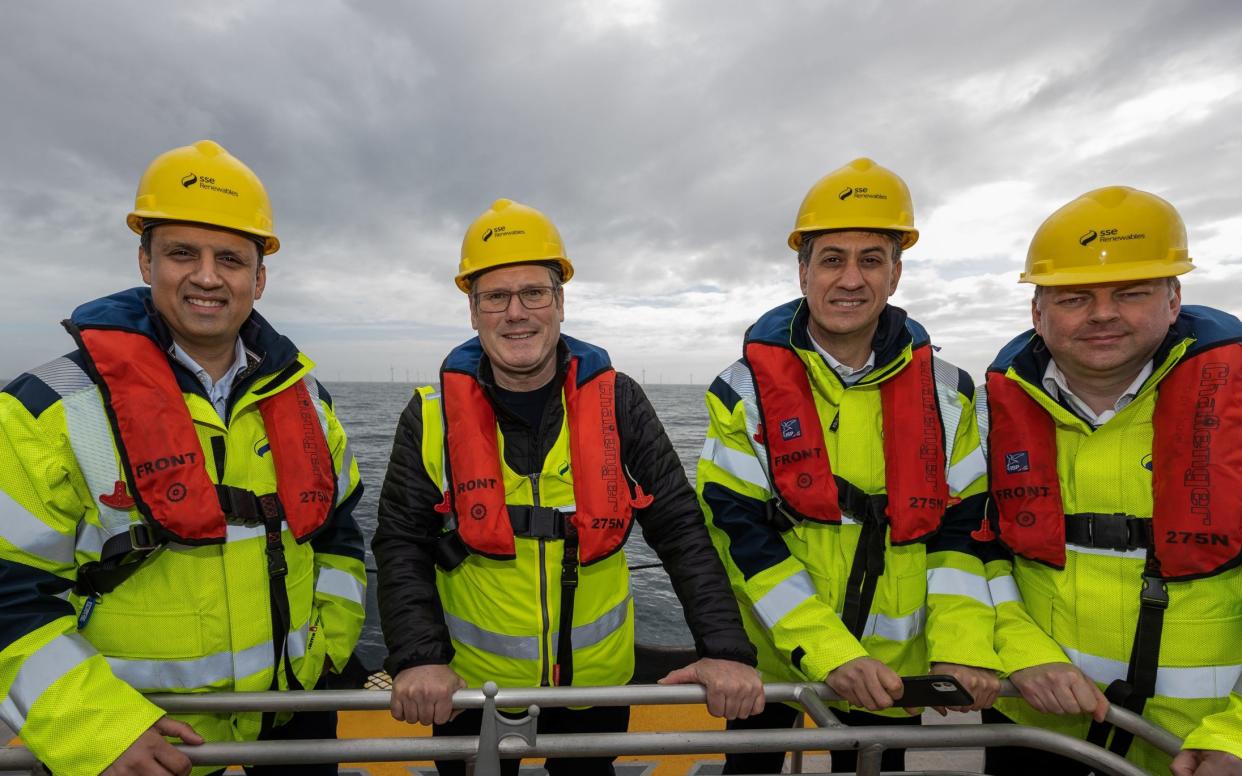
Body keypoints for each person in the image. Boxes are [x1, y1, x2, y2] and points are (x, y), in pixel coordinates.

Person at [0, 140, 366, 776]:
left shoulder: (307, 398)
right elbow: (8, 594)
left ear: (259, 277)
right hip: (141, 735)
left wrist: (326, 650)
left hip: (293, 714)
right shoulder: (47, 410)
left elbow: (338, 532)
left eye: (230, 258)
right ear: (146, 261)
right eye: (181, 253)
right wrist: (99, 726)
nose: (206, 275)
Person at [373, 198, 763, 776]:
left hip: (597, 688)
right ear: (472, 311)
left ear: (560, 302)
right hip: (468, 688)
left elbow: (681, 528)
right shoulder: (430, 415)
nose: (516, 313)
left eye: (533, 293)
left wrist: (726, 650)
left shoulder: (619, 401)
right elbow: (401, 542)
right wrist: (419, 658)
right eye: (495, 297)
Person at [696, 158, 1003, 774]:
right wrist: (830, 651)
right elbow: (741, 534)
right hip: (777, 654)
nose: (850, 278)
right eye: (832, 258)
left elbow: (962, 535)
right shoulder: (742, 391)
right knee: (749, 768)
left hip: (895, 662)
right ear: (803, 270)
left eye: (871, 258)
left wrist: (963, 647)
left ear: (896, 273)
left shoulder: (951, 395)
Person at [981, 185, 1242, 775]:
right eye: (1074, 297)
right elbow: (976, 555)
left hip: (1197, 747)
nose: (1102, 314)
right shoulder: (992, 414)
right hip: (1036, 730)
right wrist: (1021, 654)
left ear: (1174, 300)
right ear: (1037, 312)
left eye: (1131, 293)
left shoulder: (1234, 405)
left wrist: (1237, 736)